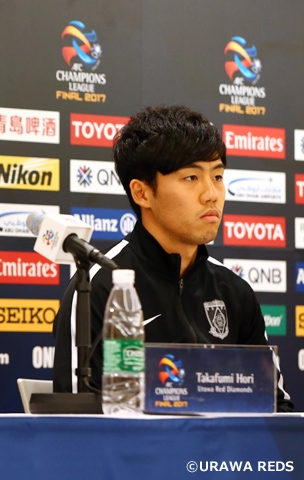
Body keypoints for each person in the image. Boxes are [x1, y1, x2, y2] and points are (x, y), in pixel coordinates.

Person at [52, 104, 293, 412]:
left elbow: (274, 408)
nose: (211, 194)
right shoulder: (99, 289)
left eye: (217, 176)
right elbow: (76, 421)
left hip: (222, 460)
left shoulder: (234, 291)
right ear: (142, 193)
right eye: (191, 177)